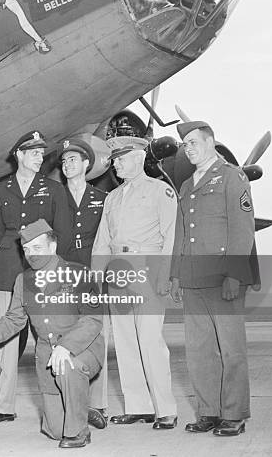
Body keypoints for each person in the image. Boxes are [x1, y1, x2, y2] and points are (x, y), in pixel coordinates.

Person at [0, 219, 104, 448]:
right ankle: (80, 407)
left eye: (37, 248)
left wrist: (66, 347)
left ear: (52, 247)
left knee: (68, 366)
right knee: (54, 431)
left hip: (83, 350)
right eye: (26, 249)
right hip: (47, 356)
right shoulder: (23, 280)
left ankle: (80, 432)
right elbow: (14, 319)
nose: (31, 254)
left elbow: (92, 319)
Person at [170, 121, 255, 436]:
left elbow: (241, 227)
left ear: (211, 142)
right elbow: (181, 233)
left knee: (232, 349)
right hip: (193, 279)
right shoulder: (187, 184)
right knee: (199, 349)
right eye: (185, 145)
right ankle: (209, 412)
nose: (188, 149)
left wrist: (234, 274)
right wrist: (176, 275)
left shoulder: (232, 177)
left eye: (193, 142)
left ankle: (234, 414)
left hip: (223, 278)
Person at [92, 136, 178, 429]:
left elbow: (171, 238)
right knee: (126, 341)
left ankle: (165, 409)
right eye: (114, 159)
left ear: (139, 158)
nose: (115, 164)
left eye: (120, 158)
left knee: (150, 340)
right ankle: (138, 406)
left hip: (147, 268)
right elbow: (103, 241)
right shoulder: (113, 197)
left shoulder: (160, 191)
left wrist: (164, 275)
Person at [0, 130, 71, 423]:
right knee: (6, 339)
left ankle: (62, 403)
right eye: (33, 152)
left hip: (45, 272)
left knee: (50, 336)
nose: (40, 157)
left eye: (41, 153)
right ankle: (3, 405)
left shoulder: (53, 189)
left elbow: (62, 231)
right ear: (18, 155)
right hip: (9, 268)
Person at [59, 137, 109, 429]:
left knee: (96, 336)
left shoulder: (102, 199)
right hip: (64, 278)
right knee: (67, 336)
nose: (67, 166)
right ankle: (71, 402)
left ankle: (98, 404)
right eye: (64, 162)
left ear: (87, 164)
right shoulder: (53, 197)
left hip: (93, 276)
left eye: (73, 160)